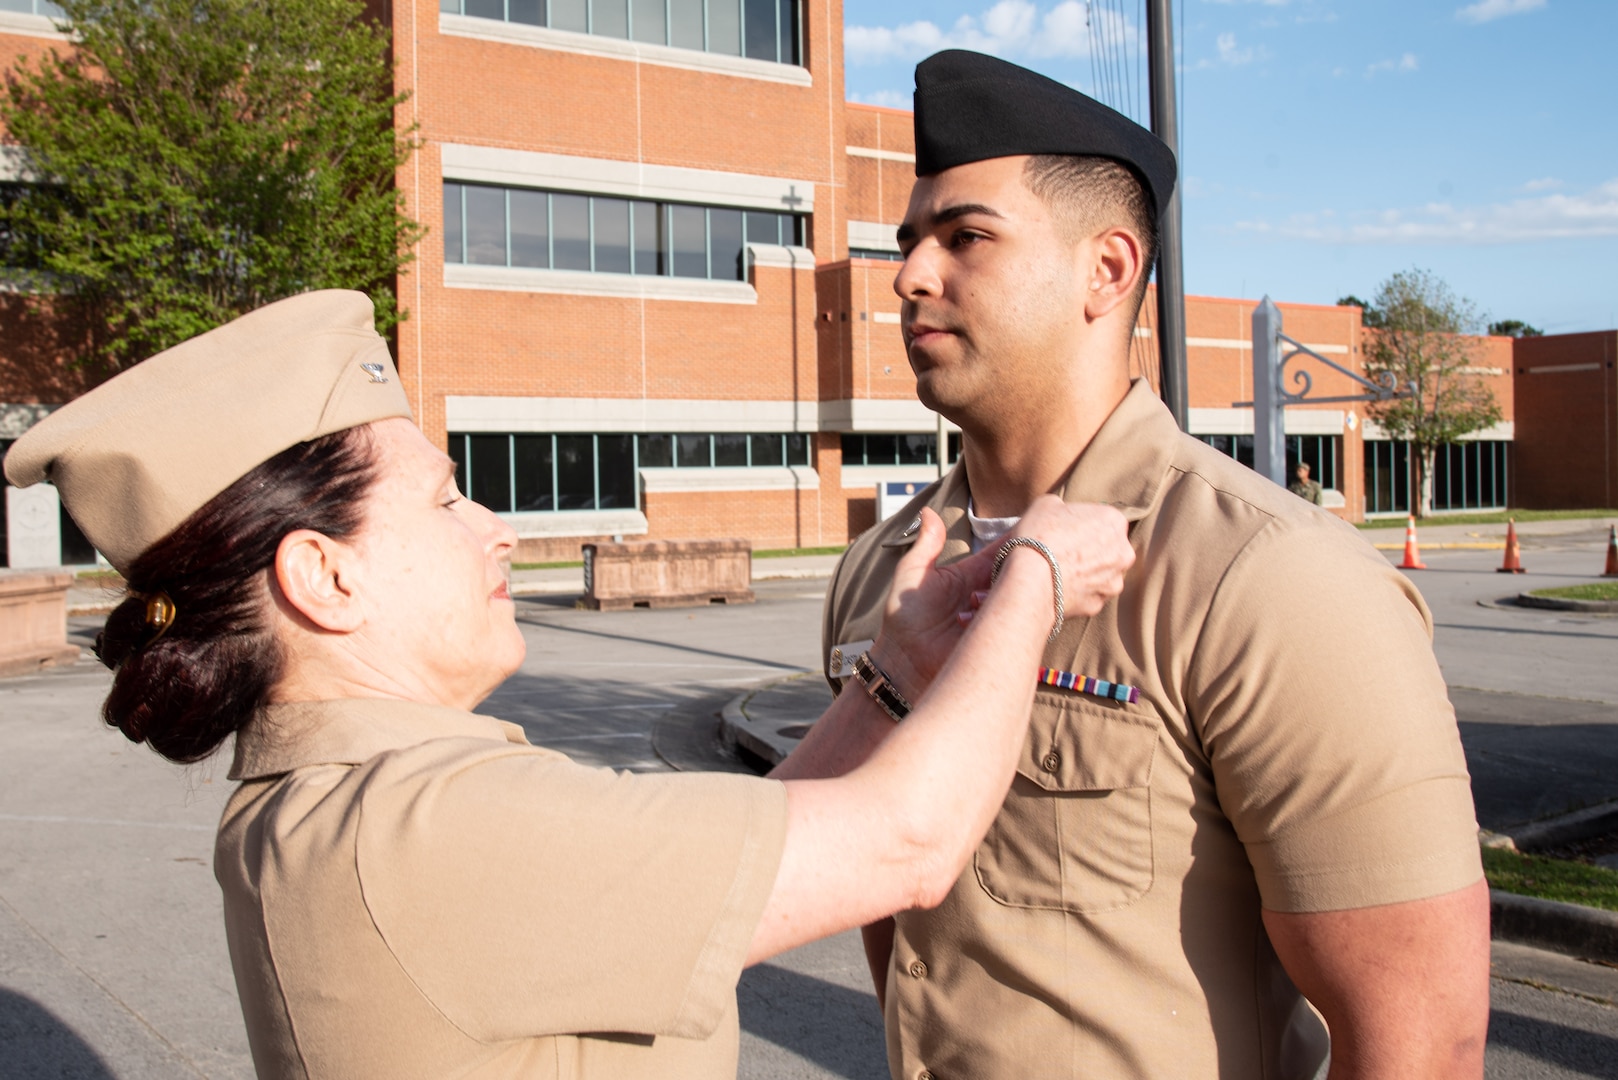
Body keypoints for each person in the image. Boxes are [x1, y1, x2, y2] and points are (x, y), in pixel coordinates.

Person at [3, 289, 1137, 1079]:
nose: (494, 532)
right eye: (446, 501)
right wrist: (1037, 568)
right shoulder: (427, 829)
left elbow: (750, 859)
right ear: (324, 576)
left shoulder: (338, 804)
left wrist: (892, 673)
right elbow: (908, 842)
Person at [809, 51, 1489, 1079]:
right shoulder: (880, 574)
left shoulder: (1266, 578)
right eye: (908, 244)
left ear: (1108, 269)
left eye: (966, 237)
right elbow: (886, 909)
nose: (909, 275)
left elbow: (1419, 1043)